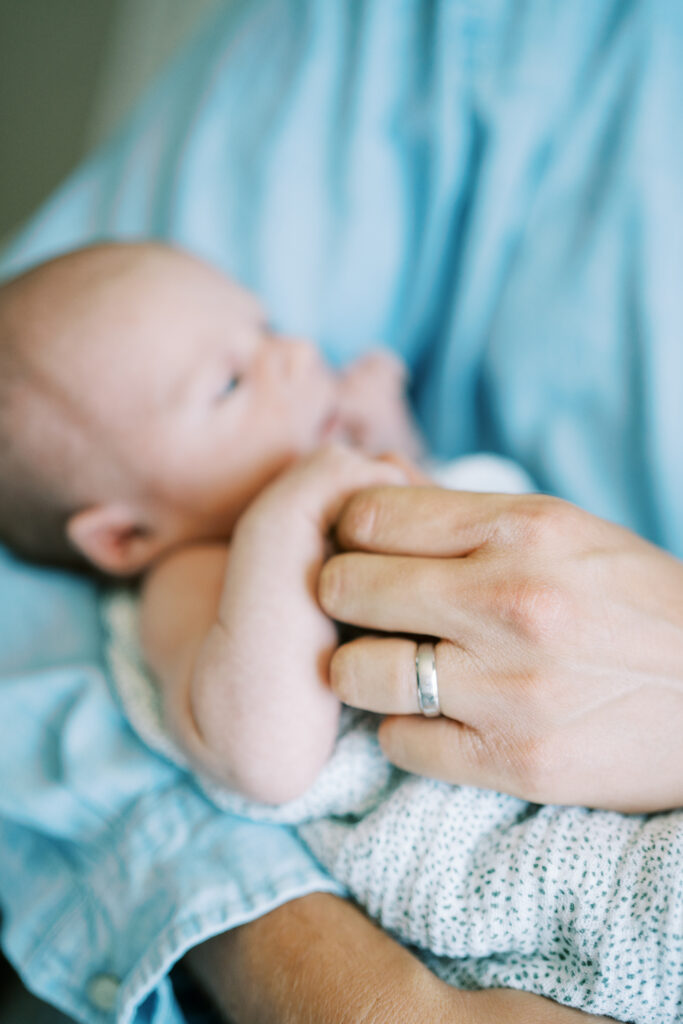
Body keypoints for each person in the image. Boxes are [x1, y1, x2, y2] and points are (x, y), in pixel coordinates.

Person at [2, 1, 682, 1021]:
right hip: (475, 840)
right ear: (123, 534)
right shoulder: (190, 578)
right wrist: (290, 512)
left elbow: (435, 542)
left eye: (267, 328)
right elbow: (265, 759)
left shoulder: (302, 482)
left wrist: (392, 441)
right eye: (230, 382)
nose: (289, 353)